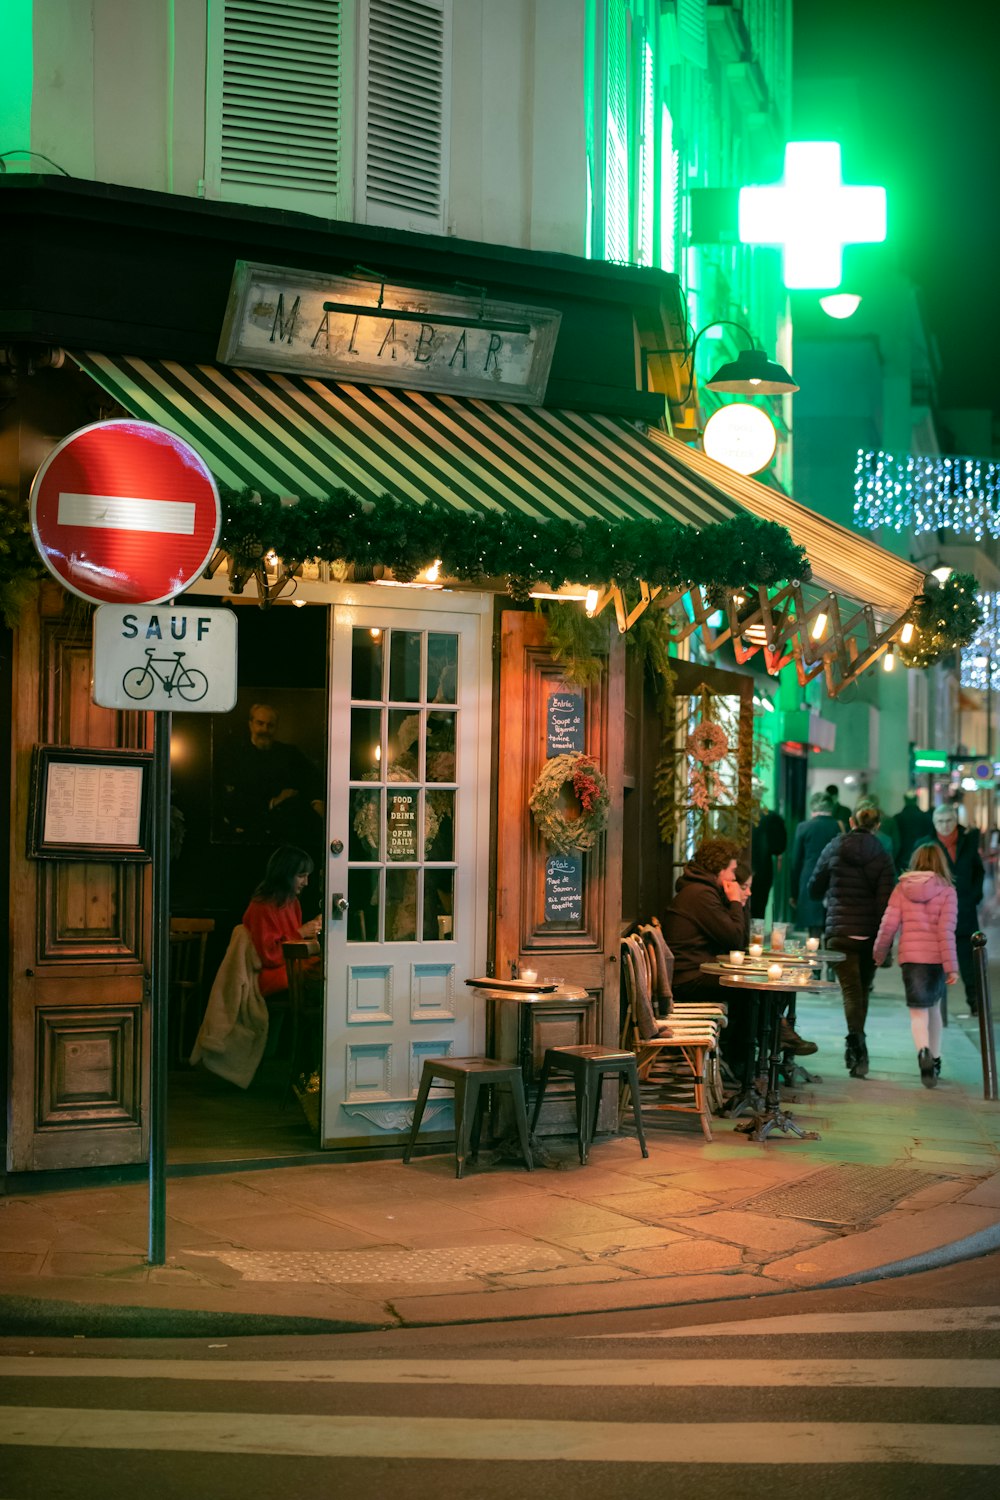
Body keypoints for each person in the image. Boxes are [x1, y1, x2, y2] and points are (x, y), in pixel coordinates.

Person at [809, 802, 895, 1079]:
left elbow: (814, 886)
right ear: (877, 825)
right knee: (863, 989)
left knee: (851, 991)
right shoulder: (882, 854)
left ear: (850, 820)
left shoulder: (835, 846)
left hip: (840, 933)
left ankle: (857, 1046)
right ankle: (859, 1046)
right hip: (869, 934)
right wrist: (886, 942)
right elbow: (886, 903)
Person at [663, 837, 755, 1077]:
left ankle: (744, 1064)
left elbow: (736, 941)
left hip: (690, 972)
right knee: (751, 993)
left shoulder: (700, 890)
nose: (734, 879)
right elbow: (735, 939)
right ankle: (742, 1068)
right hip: (687, 979)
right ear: (719, 869)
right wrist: (736, 901)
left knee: (752, 991)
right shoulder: (700, 894)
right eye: (733, 871)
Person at [873, 843, 958, 1088]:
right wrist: (951, 966)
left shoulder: (902, 888)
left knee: (917, 1012)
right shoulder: (947, 891)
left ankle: (923, 1052)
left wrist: (879, 952)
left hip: (911, 959)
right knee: (934, 1010)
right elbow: (946, 931)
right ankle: (937, 1059)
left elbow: (888, 924)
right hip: (935, 960)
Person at [218, 702, 325, 853]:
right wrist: (274, 802)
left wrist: (316, 801)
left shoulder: (289, 753)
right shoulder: (235, 756)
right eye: (260, 724)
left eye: (270, 725)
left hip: (289, 831)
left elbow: (313, 778)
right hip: (252, 832)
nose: (264, 730)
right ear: (250, 724)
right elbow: (232, 799)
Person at [917, 803, 985, 1015]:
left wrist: (974, 896)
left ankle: (975, 1003)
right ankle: (934, 1004)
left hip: (964, 910)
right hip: (936, 914)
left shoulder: (968, 842)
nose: (944, 826)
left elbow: (978, 872)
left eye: (948, 821)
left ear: (955, 822)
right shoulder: (926, 845)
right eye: (940, 821)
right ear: (934, 823)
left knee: (968, 961)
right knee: (935, 961)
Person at [242, 845, 322, 999]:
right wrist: (301, 932)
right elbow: (269, 957)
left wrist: (313, 929)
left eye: (307, 876)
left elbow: (294, 943)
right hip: (273, 974)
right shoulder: (262, 906)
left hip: (291, 967)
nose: (306, 882)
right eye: (301, 876)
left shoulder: (292, 902)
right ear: (285, 875)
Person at [789, 791, 841, 937]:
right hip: (833, 877)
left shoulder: (803, 827)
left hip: (809, 877)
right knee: (831, 922)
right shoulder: (838, 827)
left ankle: (813, 954)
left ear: (812, 808)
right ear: (831, 808)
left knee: (813, 928)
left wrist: (794, 893)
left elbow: (795, 862)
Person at [749, 803, 787, 920]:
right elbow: (779, 847)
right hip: (762, 870)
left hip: (735, 870)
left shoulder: (731, 814)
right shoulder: (771, 817)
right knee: (758, 913)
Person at [895, 791, 934, 871]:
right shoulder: (926, 817)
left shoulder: (897, 818)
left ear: (904, 800)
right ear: (916, 800)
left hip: (902, 860)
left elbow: (896, 843)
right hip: (923, 859)